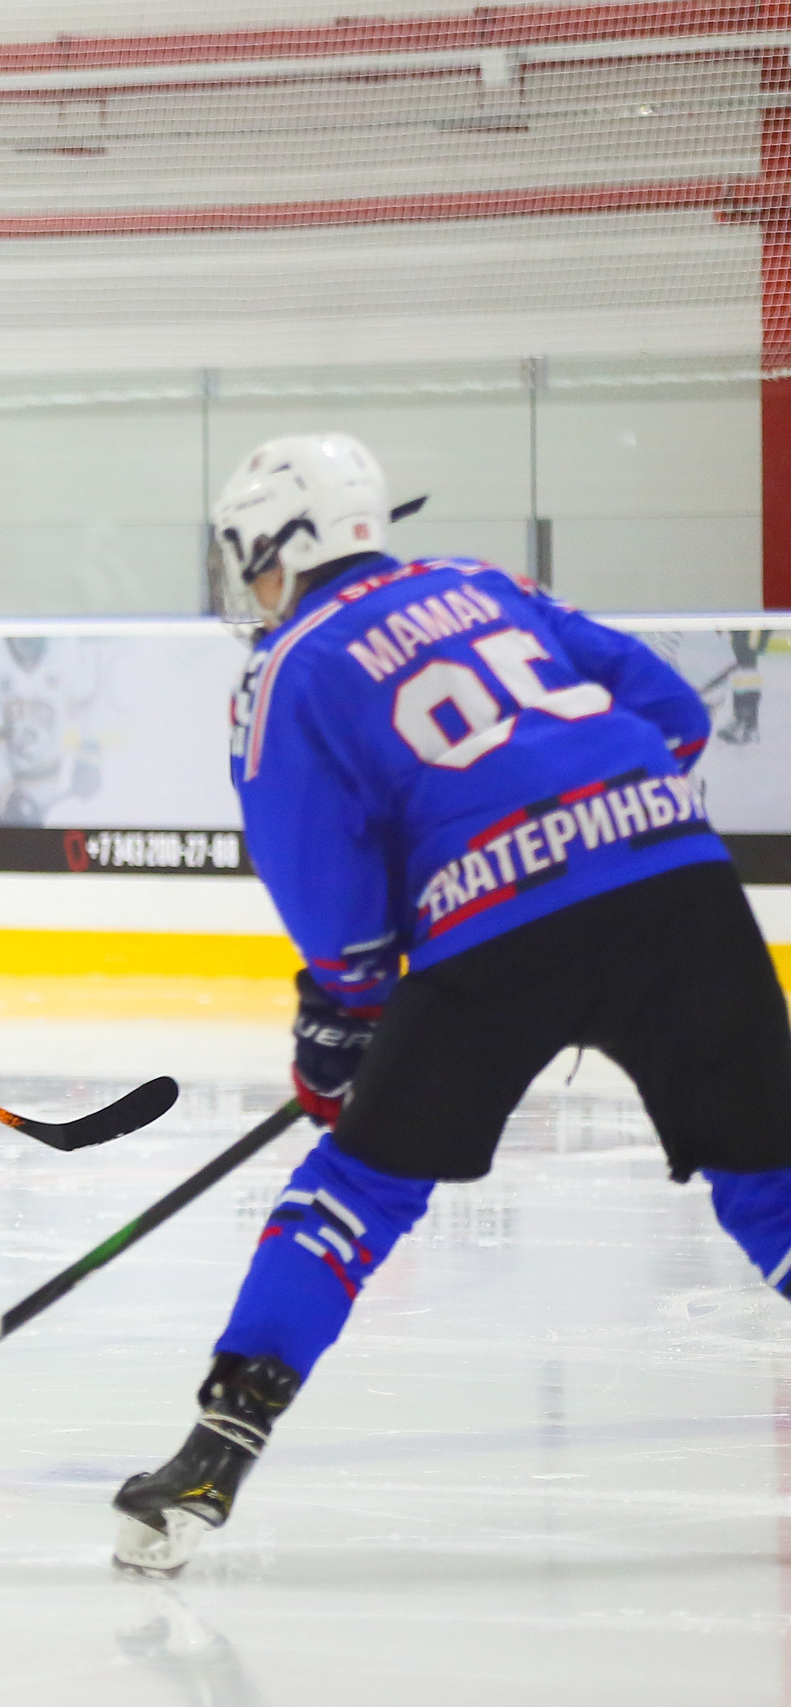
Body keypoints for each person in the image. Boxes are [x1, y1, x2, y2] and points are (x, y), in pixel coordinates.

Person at [112, 433, 791, 1574]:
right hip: (675, 880)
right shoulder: (483, 585)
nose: (253, 585)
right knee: (772, 1178)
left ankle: (209, 1460)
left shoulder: (288, 671)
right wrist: (591, 830)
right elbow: (669, 710)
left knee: (357, 1190)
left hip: (495, 935)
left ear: (281, 545)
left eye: (251, 558)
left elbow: (324, 884)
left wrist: (341, 1022)